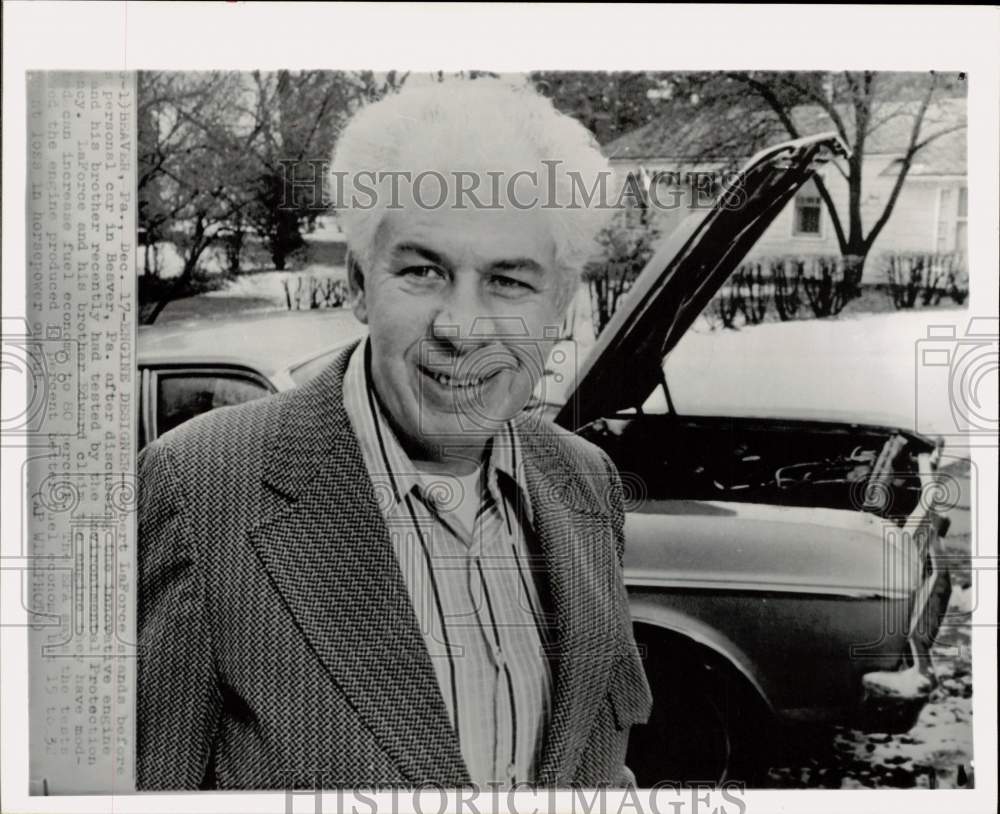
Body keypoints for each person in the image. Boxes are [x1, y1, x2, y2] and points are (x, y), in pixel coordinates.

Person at [136, 77, 652, 791]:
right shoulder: (201, 488)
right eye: (422, 271)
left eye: (508, 282)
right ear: (357, 282)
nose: (461, 328)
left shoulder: (588, 481)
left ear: (559, 305)